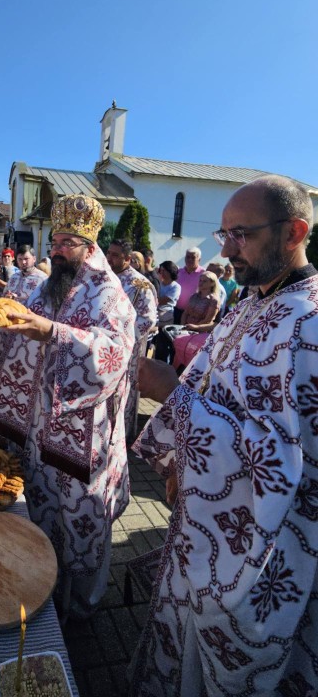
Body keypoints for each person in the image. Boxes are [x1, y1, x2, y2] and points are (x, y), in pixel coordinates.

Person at [129, 175, 318, 696]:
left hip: (258, 554)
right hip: (205, 520)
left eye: (242, 235)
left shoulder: (310, 327)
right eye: (223, 235)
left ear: (293, 232)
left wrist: (174, 393)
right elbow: (216, 388)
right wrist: (180, 470)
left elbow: (283, 464)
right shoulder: (254, 299)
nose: (229, 248)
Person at [0, 195, 135, 618]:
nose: (58, 249)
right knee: (44, 511)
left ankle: (84, 603)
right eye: (56, 240)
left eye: (68, 242)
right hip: (41, 425)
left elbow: (114, 354)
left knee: (82, 521)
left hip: (85, 433)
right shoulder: (50, 284)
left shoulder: (110, 295)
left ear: (89, 245)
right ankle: (47, 585)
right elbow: (27, 327)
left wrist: (55, 334)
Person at [106, 239, 158, 441]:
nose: (109, 258)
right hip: (100, 347)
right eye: (108, 253)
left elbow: (148, 319)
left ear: (128, 259)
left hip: (125, 350)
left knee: (123, 395)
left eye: (115, 255)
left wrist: (119, 337)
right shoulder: (103, 278)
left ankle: (121, 438)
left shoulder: (140, 285)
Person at [155, 271, 221, 364]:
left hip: (199, 332)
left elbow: (208, 320)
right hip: (186, 328)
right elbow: (185, 313)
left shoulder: (214, 300)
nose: (200, 283)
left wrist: (193, 328)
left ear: (212, 283)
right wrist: (182, 327)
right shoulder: (194, 296)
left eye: (204, 281)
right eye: (200, 280)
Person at [174, 246, 204, 323]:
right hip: (176, 311)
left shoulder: (203, 274)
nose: (189, 260)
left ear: (199, 259)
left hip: (192, 315)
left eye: (193, 257)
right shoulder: (178, 272)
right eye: (187, 257)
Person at [156, 260, 181, 326]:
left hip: (166, 316)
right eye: (161, 270)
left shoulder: (176, 287)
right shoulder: (158, 283)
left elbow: (163, 301)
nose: (161, 272)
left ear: (170, 271)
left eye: (164, 270)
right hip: (155, 313)